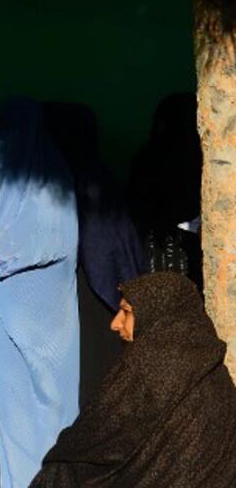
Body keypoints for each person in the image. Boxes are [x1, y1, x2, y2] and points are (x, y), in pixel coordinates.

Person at [0, 272, 236, 488]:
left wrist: (63, 452)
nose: (116, 323)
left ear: (159, 315)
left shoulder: (149, 366)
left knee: (62, 469)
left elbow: (94, 439)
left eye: (127, 312)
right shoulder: (211, 369)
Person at [0, 97, 79, 488]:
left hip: (41, 301)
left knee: (50, 395)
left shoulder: (52, 178)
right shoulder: (4, 176)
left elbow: (53, 234)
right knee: (10, 397)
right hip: (2, 300)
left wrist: (7, 256)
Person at [44, 102, 146, 405]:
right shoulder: (94, 176)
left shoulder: (83, 182)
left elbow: (100, 246)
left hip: (95, 297)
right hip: (103, 293)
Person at [127, 93, 203, 287]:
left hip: (153, 247)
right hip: (191, 247)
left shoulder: (146, 157)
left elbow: (137, 205)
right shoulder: (200, 157)